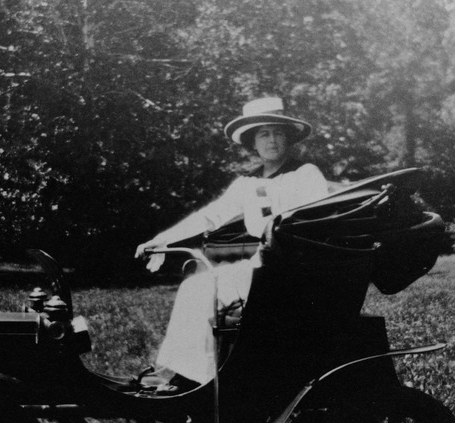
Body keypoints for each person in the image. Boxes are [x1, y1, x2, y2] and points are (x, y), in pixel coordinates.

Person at [134, 97, 329, 389]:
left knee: (207, 287)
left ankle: (195, 378)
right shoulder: (246, 183)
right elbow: (210, 216)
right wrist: (161, 239)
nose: (272, 140)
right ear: (253, 142)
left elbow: (315, 221)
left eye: (277, 132)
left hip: (295, 267)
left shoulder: (305, 174)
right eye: (263, 133)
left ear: (288, 137)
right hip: (262, 266)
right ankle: (192, 374)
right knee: (196, 287)